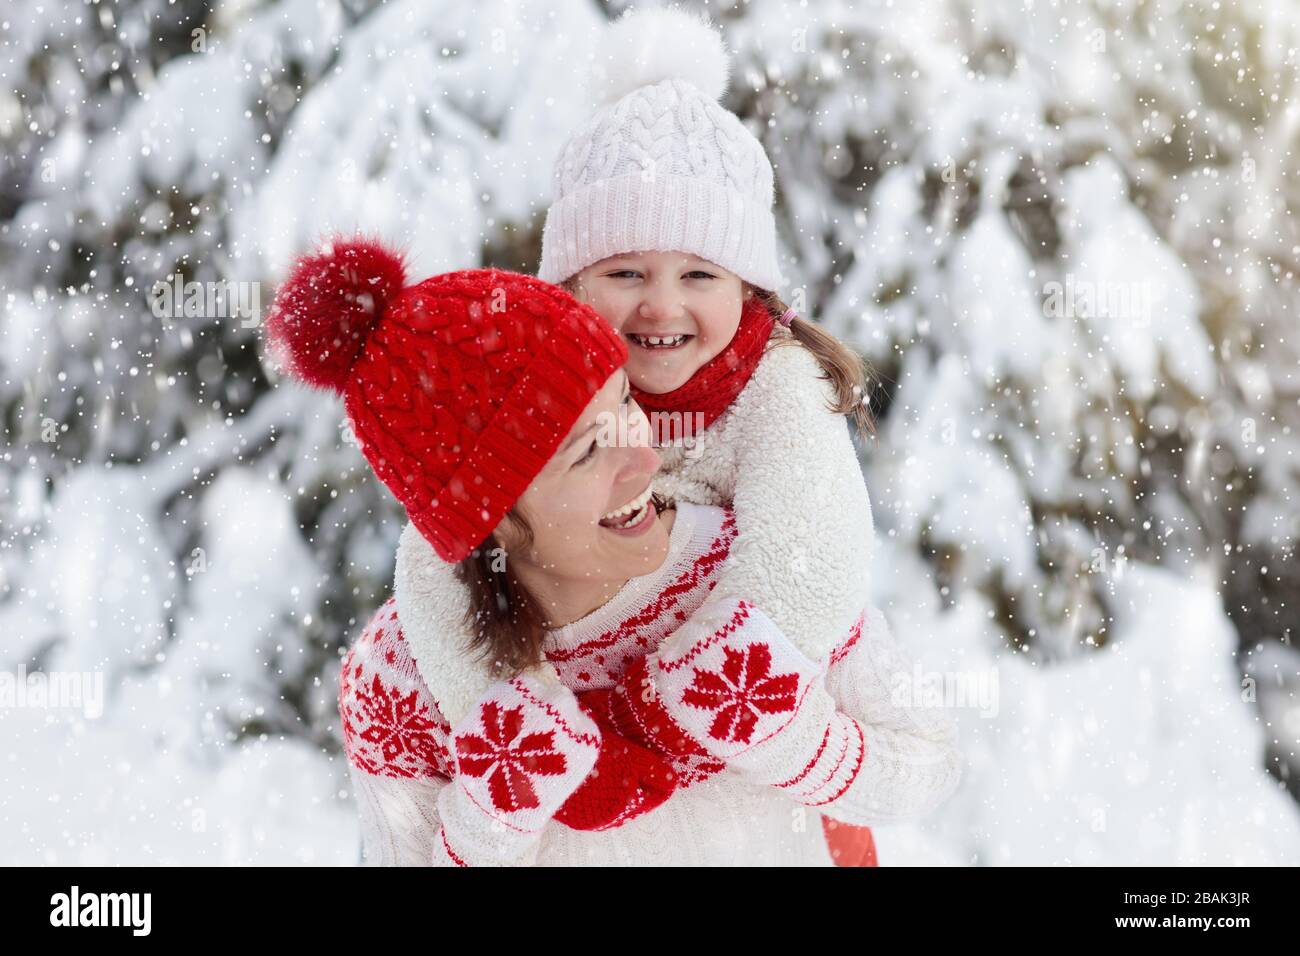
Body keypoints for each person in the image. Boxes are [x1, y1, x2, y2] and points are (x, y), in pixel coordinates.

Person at [263, 236, 963, 865]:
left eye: (624, 403)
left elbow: (930, 766)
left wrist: (790, 739)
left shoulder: (746, 576)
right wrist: (489, 824)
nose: (642, 457)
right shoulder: (403, 683)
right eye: (589, 450)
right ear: (493, 525)